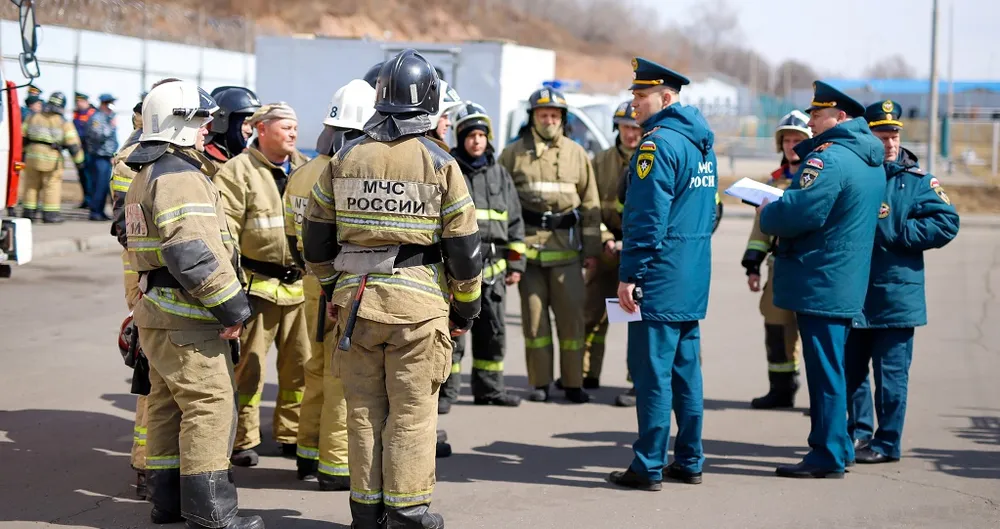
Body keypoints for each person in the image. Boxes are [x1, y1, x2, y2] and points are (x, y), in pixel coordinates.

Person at [302, 49, 481, 529]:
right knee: (412, 412)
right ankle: (406, 510)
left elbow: (315, 239)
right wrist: (465, 310)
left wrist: (334, 289)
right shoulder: (440, 163)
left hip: (355, 307)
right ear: (428, 103)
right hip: (417, 309)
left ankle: (366, 512)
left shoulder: (344, 157)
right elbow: (465, 250)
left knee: (362, 412)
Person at [122, 80, 262, 529]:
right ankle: (211, 514)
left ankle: (168, 503)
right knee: (210, 404)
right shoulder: (180, 176)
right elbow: (192, 253)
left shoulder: (147, 173)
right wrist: (233, 308)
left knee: (165, 405)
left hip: (157, 314)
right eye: (200, 121)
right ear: (179, 125)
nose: (207, 129)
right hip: (189, 318)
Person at [757, 81, 885, 479]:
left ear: (840, 118)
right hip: (844, 279)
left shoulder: (829, 160)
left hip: (821, 279)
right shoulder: (868, 159)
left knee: (825, 371)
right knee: (837, 368)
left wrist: (768, 211)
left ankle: (827, 453)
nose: (811, 122)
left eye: (817, 114)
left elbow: (801, 212)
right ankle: (841, 445)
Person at [607, 57, 717, 491]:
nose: (634, 103)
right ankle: (689, 458)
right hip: (690, 276)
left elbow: (647, 219)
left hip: (660, 275)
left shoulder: (657, 145)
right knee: (686, 372)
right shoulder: (698, 143)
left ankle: (648, 464)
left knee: (652, 373)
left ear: (665, 98)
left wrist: (631, 274)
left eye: (641, 95)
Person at [846, 100, 960, 464]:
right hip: (853, 293)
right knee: (851, 374)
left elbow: (946, 222)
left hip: (896, 296)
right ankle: (857, 434)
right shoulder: (856, 173)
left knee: (891, 379)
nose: (891, 143)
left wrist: (897, 230)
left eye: (894, 134)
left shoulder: (917, 182)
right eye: (883, 135)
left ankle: (887, 442)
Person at [284, 79, 374, 489]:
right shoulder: (350, 173)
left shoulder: (301, 172)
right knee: (342, 377)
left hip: (307, 285)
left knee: (315, 370)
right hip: (340, 288)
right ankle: (334, 468)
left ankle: (306, 454)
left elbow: (291, 234)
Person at [213, 102, 311, 466]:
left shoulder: (305, 167)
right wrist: (231, 289)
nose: (293, 133)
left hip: (299, 286)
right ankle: (243, 439)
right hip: (256, 285)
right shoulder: (237, 171)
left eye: (295, 127)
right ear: (262, 129)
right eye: (285, 127)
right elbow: (227, 235)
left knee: (300, 365)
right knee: (249, 367)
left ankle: (290, 433)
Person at [498, 86, 601, 404]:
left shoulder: (577, 153)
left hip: (568, 255)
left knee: (572, 322)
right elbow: (500, 202)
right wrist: (506, 255)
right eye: (543, 115)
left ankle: (573, 383)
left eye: (555, 115)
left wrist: (593, 252)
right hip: (528, 256)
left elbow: (591, 204)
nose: (549, 120)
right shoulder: (513, 154)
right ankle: (540, 383)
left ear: (563, 119)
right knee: (535, 322)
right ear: (532, 118)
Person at [438, 101, 525, 413]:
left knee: (493, 332)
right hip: (459, 270)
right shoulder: (450, 170)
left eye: (481, 135)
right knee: (455, 333)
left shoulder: (500, 174)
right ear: (461, 139)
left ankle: (490, 390)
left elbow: (515, 221)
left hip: (494, 269)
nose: (476, 140)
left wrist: (516, 263)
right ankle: (446, 394)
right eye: (470, 135)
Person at [110, 87, 164, 501]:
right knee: (151, 371)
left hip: (153, 267)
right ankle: (148, 466)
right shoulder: (135, 153)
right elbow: (126, 223)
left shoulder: (155, 145)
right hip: (147, 270)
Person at [742, 110, 812, 409]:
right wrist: (753, 263)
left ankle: (825, 399)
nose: (791, 145)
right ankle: (782, 389)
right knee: (775, 327)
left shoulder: (820, 177)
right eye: (787, 140)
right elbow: (761, 228)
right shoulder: (774, 181)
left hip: (811, 268)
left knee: (814, 334)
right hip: (779, 267)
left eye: (798, 139)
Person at [582, 101, 642, 391]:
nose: (632, 134)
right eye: (626, 127)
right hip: (606, 250)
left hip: (637, 250)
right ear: (617, 127)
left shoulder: (651, 158)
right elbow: (591, 207)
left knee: (637, 317)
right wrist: (605, 240)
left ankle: (636, 382)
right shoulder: (600, 161)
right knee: (592, 314)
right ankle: (586, 374)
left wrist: (627, 243)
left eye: (637, 127)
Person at [20, 92, 85, 223]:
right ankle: (50, 215)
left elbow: (23, 136)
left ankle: (28, 213)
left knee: (31, 186)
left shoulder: (33, 117)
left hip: (32, 157)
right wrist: (79, 162)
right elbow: (73, 145)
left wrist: (22, 154)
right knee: (51, 186)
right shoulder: (63, 122)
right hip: (52, 159)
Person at [205, 86, 261, 165]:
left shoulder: (253, 161)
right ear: (223, 121)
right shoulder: (203, 161)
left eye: (252, 125)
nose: (250, 131)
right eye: (245, 123)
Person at [86, 93, 119, 221]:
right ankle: (95, 212)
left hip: (107, 156)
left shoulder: (108, 117)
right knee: (98, 185)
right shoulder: (97, 118)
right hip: (99, 156)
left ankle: (100, 211)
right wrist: (111, 127)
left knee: (105, 186)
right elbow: (97, 136)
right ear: (104, 104)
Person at [73, 92, 97, 208]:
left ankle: (91, 200)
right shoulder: (76, 114)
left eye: (81, 101)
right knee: (82, 175)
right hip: (79, 149)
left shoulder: (92, 114)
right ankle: (86, 199)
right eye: (77, 102)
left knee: (90, 175)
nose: (79, 103)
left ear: (86, 102)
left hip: (89, 149)